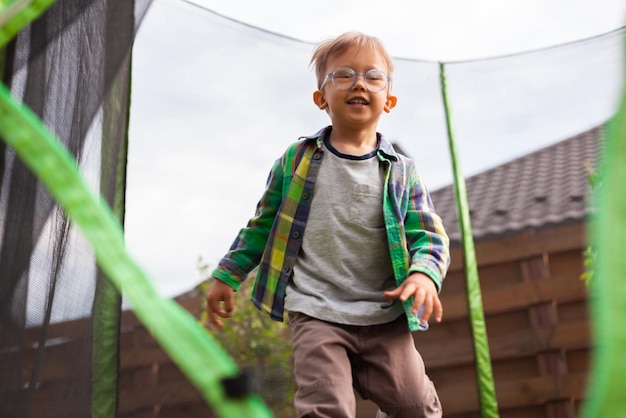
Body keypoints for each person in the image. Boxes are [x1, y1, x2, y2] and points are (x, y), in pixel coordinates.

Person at [206, 31, 450, 418]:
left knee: (417, 407)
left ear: (389, 100)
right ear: (321, 98)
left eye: (373, 76)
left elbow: (430, 236)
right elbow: (262, 225)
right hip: (316, 310)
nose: (359, 83)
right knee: (326, 407)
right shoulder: (296, 161)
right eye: (344, 75)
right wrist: (228, 274)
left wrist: (423, 275)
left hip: (383, 316)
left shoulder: (403, 172)